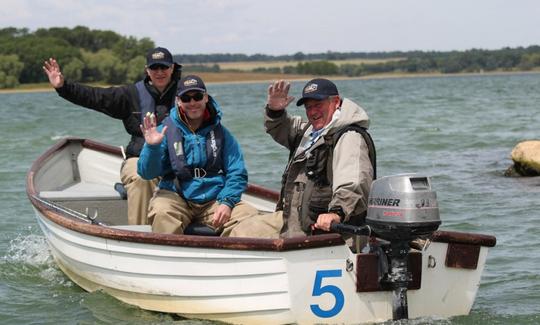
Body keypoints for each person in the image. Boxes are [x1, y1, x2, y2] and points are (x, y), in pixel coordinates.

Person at [42, 47, 182, 225]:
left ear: (172, 68)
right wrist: (63, 87)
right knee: (142, 179)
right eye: (155, 68)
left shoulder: (186, 95)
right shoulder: (130, 95)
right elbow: (95, 97)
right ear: (147, 70)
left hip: (178, 159)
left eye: (164, 67)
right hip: (139, 158)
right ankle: (140, 238)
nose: (160, 72)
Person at [234, 78, 376, 238]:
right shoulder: (310, 132)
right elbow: (282, 128)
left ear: (336, 102)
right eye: (308, 107)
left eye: (318, 105)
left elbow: (354, 182)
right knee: (240, 229)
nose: (313, 112)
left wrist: (337, 212)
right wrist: (275, 110)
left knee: (241, 234)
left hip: (327, 233)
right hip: (294, 221)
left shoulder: (349, 137)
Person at [137, 75, 258, 236]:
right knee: (162, 212)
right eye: (186, 98)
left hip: (214, 198)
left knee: (249, 216)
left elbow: (237, 172)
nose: (192, 103)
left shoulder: (222, 133)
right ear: (179, 101)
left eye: (197, 97)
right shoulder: (163, 131)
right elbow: (146, 173)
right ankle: (170, 258)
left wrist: (227, 202)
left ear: (206, 98)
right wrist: (152, 147)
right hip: (175, 196)